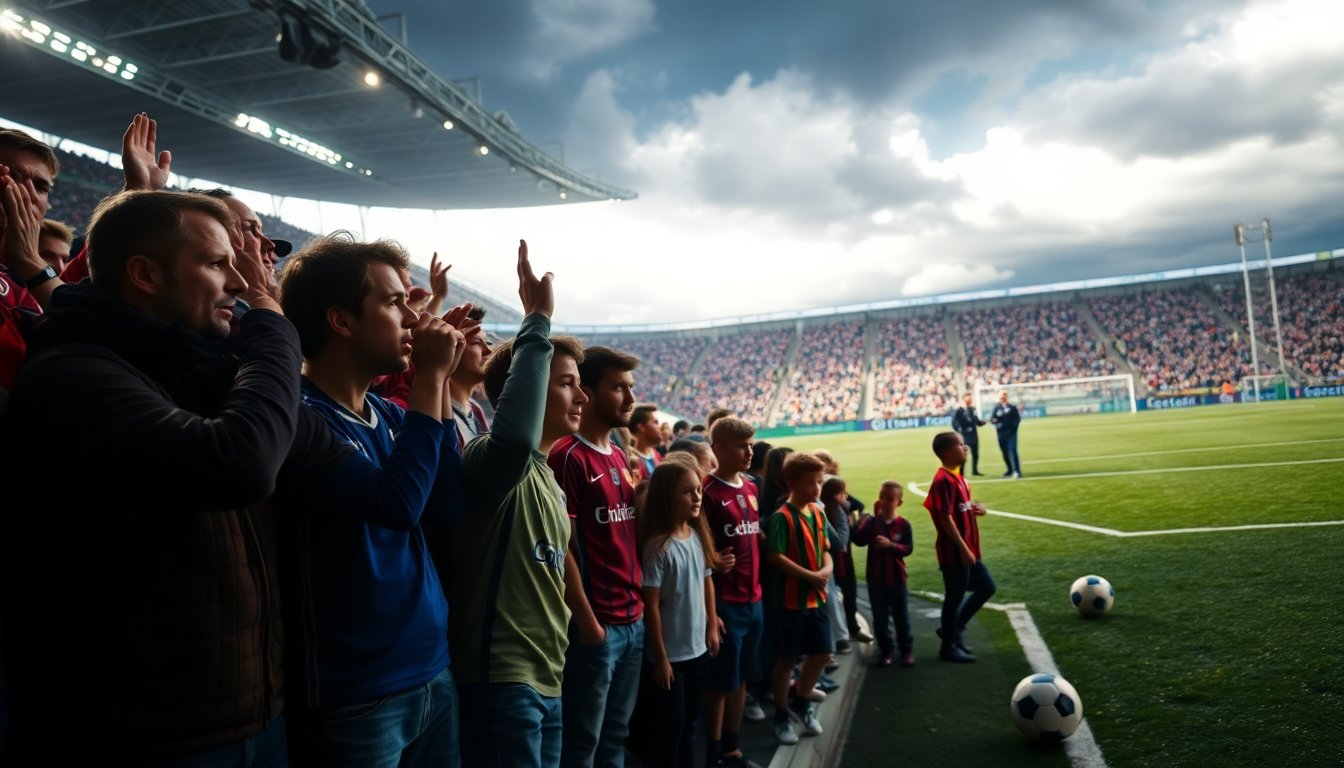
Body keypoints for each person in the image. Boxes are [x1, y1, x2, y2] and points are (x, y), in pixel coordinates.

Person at [1, 190, 294, 763]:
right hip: (146, 737)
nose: (239, 282)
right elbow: (240, 463)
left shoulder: (198, 365)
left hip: (253, 715)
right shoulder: (72, 374)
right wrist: (272, 330)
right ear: (145, 274)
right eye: (216, 264)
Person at [273, 233, 469, 766]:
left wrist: (438, 385)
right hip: (357, 692)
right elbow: (396, 505)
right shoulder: (298, 418)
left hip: (431, 667)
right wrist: (429, 375)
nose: (413, 318)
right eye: (393, 302)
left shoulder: (391, 414)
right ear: (340, 320)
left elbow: (446, 505)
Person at [447, 241, 586, 768]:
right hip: (501, 681)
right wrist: (537, 321)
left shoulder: (548, 478)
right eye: (567, 384)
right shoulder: (491, 458)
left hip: (547, 679)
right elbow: (514, 440)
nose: (582, 397)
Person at [547, 346, 644, 768]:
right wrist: (588, 623)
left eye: (630, 387)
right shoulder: (567, 457)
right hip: (598, 627)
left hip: (633, 618)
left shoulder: (619, 455)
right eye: (619, 387)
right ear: (587, 392)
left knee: (616, 737)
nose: (630, 398)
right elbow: (563, 547)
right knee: (582, 743)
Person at [635, 459, 721, 768]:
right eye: (687, 492)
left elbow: (707, 581)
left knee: (690, 724)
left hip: (697, 649)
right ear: (666, 497)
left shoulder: (696, 536)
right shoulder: (658, 547)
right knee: (671, 729)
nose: (697, 497)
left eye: (698, 490)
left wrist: (712, 625)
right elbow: (651, 606)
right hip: (671, 656)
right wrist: (661, 658)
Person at [702, 417, 766, 767]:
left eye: (751, 445)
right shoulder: (707, 492)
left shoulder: (751, 487)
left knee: (741, 678)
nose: (749, 452)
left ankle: (732, 745)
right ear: (719, 449)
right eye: (742, 446)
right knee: (720, 683)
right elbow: (696, 545)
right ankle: (713, 751)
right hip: (726, 604)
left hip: (754, 599)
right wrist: (713, 561)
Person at [765, 452, 833, 745]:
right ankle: (781, 715)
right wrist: (809, 575)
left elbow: (826, 549)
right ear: (791, 483)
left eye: (819, 481)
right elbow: (775, 556)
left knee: (823, 652)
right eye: (810, 482)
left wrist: (825, 571)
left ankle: (801, 700)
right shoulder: (782, 517)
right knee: (788, 658)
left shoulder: (818, 512)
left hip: (816, 597)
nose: (816, 488)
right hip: (790, 602)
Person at [925, 432, 995, 664]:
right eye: (960, 444)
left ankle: (953, 630)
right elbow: (944, 517)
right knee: (954, 598)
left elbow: (958, 509)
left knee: (986, 587)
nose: (965, 447)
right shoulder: (942, 480)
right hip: (956, 552)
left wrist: (976, 509)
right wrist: (964, 548)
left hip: (969, 549)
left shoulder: (958, 477)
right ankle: (947, 648)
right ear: (947, 452)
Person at [851, 481, 914, 668]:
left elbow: (908, 549)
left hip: (897, 579)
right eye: (882, 497)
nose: (885, 502)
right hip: (876, 580)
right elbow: (858, 540)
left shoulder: (903, 524)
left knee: (902, 617)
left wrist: (890, 545)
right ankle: (886, 651)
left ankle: (906, 651)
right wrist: (859, 521)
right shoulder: (872, 523)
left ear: (899, 502)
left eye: (890, 499)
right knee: (880, 619)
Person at [951, 393, 987, 476]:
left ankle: (975, 471)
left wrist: (981, 423)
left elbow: (976, 421)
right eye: (968, 399)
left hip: (974, 435)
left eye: (970, 399)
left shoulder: (972, 409)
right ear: (964, 399)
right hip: (964, 436)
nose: (970, 400)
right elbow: (954, 422)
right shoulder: (959, 410)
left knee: (975, 454)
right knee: (963, 455)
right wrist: (960, 429)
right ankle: (961, 473)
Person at [989, 390, 1022, 478]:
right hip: (1001, 434)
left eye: (1004, 395)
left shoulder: (1012, 407)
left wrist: (1013, 429)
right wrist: (994, 421)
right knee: (1004, 452)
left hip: (1011, 434)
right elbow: (992, 419)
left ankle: (1017, 471)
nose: (1002, 397)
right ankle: (1009, 470)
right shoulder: (996, 407)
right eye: (1001, 396)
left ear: (1007, 397)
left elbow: (1017, 419)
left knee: (1012, 450)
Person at [628, 403, 663, 481]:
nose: (660, 427)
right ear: (641, 427)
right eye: (655, 422)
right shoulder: (628, 458)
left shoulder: (657, 455)